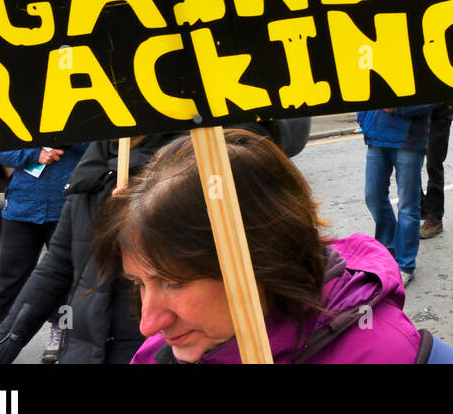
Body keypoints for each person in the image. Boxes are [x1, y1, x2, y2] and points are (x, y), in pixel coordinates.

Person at [92, 130, 423, 364]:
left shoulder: (385, 353)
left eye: (173, 282)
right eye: (138, 283)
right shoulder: (157, 355)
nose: (148, 324)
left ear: (264, 261)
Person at [0, 133, 185, 364]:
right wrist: (2, 346)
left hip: (153, 352)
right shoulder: (91, 169)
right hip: (82, 351)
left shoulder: (186, 166)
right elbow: (56, 266)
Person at [0, 141, 86, 363]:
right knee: (9, 277)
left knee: (66, 276)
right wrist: (33, 154)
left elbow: (98, 144)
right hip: (22, 204)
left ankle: (62, 330)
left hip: (66, 204)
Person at [359, 103, 435, 286]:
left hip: (408, 141)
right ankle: (388, 251)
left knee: (408, 205)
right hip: (376, 137)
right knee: (373, 196)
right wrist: (364, 118)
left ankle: (405, 265)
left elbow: (435, 98)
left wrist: (399, 109)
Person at [420, 101, 453, 239]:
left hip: (439, 114)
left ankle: (434, 217)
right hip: (412, 115)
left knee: (433, 164)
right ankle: (420, 210)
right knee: (408, 166)